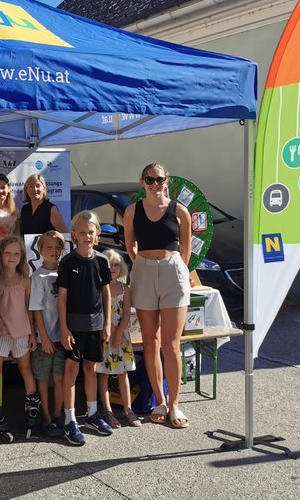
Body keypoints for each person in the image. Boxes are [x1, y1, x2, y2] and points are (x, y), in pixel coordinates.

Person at [123, 162, 192, 429]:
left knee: (171, 343)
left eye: (159, 179)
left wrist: (175, 267)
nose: (154, 183)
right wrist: (142, 264)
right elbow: (129, 244)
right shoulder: (132, 210)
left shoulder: (180, 211)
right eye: (149, 179)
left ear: (167, 180)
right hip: (143, 270)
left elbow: (185, 249)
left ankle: (175, 403)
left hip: (173, 271)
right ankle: (160, 400)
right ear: (142, 182)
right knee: (149, 341)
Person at [57, 210, 112, 445]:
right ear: (74, 235)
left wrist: (107, 322)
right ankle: (70, 420)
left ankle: (91, 414)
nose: (87, 236)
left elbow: (106, 292)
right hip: (74, 326)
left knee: (91, 368)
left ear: (97, 234)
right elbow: (61, 298)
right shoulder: (67, 262)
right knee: (71, 370)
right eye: (82, 233)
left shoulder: (102, 261)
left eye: (91, 232)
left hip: (96, 325)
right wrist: (64, 329)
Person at [0, 236, 40, 440]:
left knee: (25, 368)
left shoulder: (25, 279)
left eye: (16, 253)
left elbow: (28, 307)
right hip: (0, 330)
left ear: (22, 256)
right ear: (0, 255)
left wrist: (32, 333)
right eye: (7, 253)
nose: (11, 257)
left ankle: (32, 404)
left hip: (22, 331)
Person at [95, 249, 141, 428]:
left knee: (123, 373)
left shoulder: (124, 288)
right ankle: (107, 410)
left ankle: (128, 409)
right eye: (109, 265)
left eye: (116, 265)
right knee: (104, 373)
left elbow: (127, 314)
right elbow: (101, 312)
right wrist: (113, 333)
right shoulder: (99, 287)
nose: (113, 268)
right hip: (105, 333)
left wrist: (120, 333)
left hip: (122, 335)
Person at [29, 230, 67, 437]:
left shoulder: (65, 273)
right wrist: (43, 336)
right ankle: (46, 417)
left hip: (62, 337)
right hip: (44, 338)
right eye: (49, 247)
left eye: (57, 248)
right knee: (42, 378)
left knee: (59, 377)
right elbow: (35, 308)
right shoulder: (38, 276)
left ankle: (58, 413)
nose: (53, 251)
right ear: (40, 250)